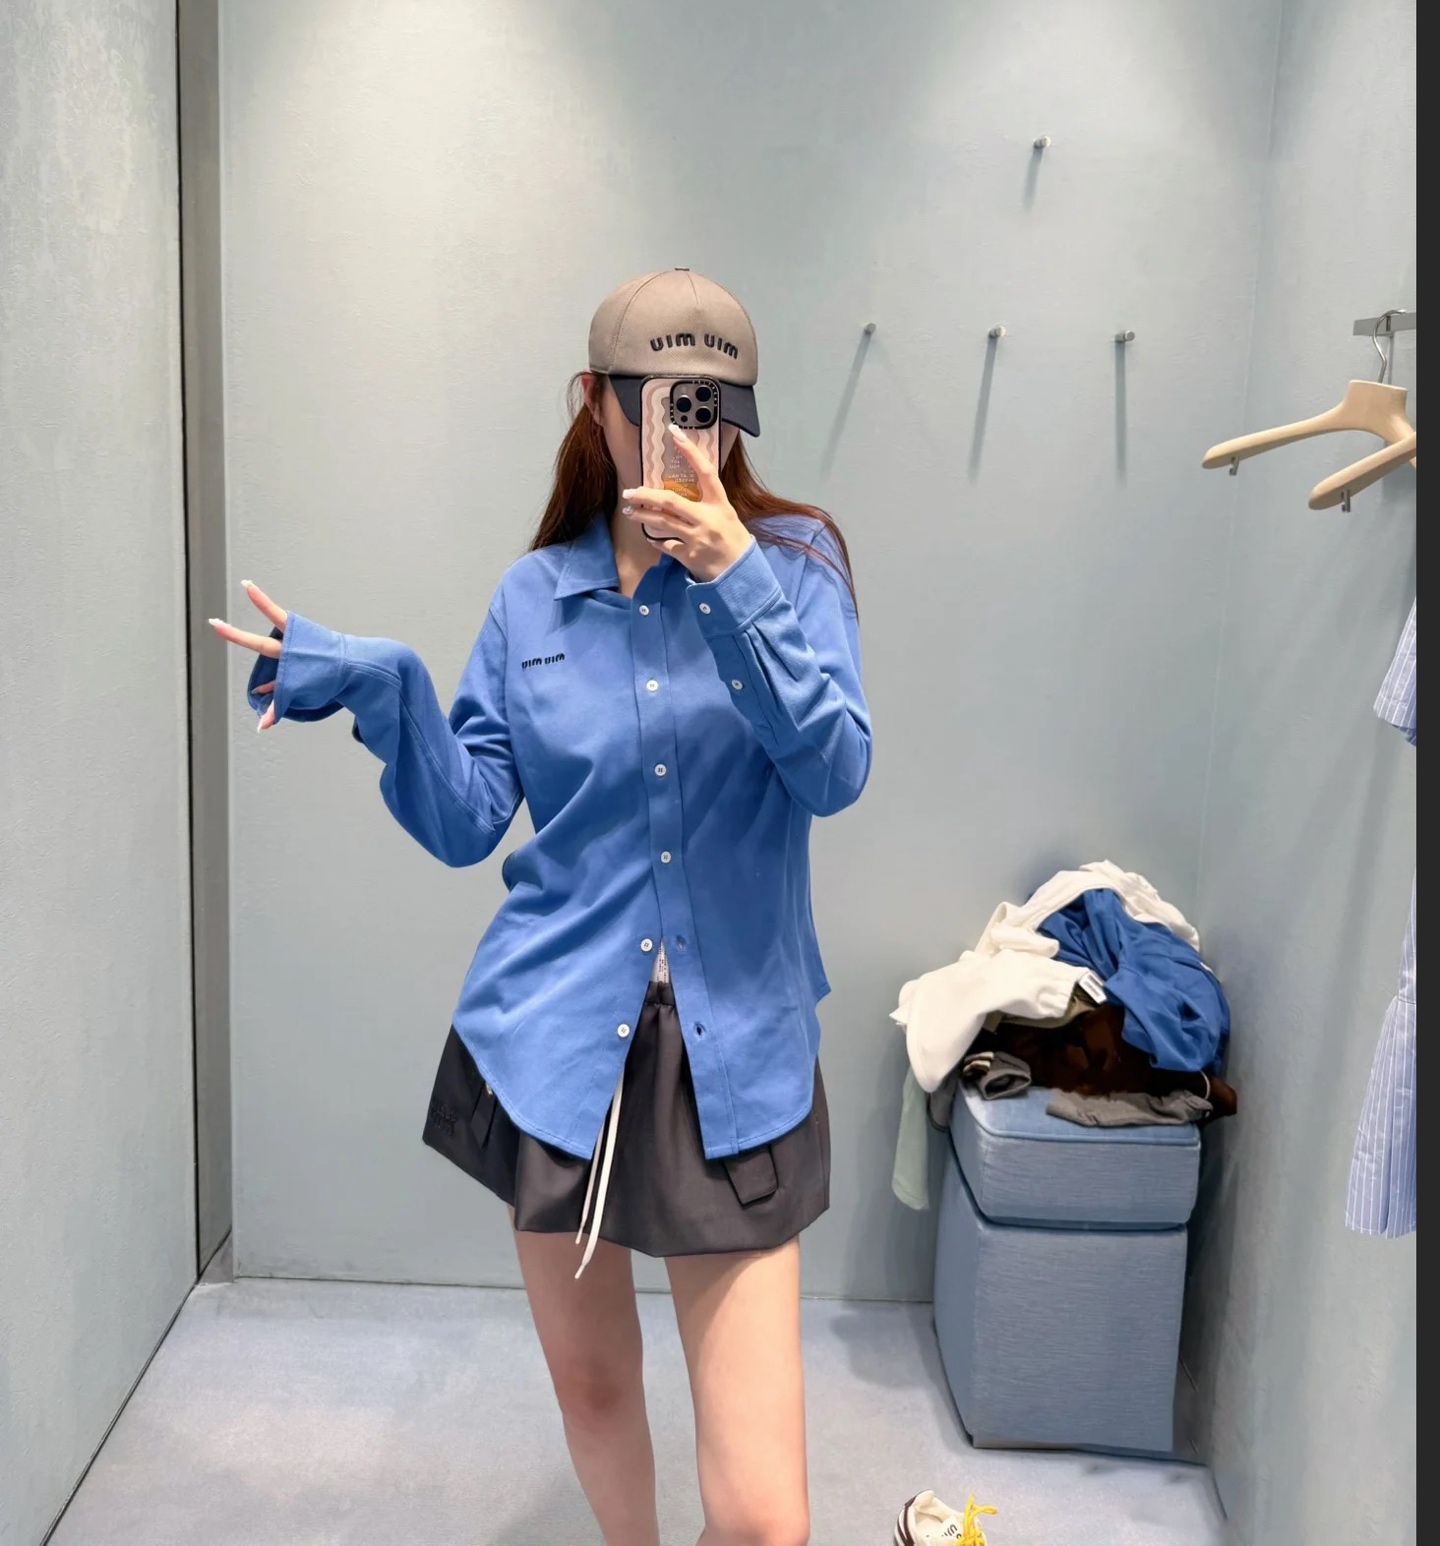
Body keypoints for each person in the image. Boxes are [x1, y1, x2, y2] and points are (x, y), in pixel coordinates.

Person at [212, 268, 870, 1545]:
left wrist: (734, 579)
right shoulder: (533, 600)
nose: (690, 435)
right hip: (556, 1044)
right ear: (595, 398)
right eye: (661, 402)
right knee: (595, 1388)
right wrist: (388, 688)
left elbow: (834, 772)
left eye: (713, 406)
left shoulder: (796, 567)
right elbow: (469, 819)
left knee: (762, 1519)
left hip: (736, 1056)